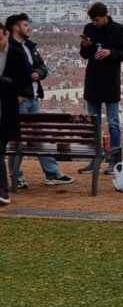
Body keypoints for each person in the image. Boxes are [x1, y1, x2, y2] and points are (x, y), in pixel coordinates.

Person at [5, 13, 74, 187]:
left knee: (40, 136)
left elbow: (42, 67)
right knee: (16, 139)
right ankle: (16, 175)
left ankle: (52, 173)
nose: (29, 28)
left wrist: (40, 73)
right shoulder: (8, 49)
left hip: (34, 98)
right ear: (15, 27)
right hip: (19, 100)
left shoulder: (29, 47)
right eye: (26, 25)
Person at [79, 2, 123, 175]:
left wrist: (110, 53)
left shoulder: (119, 30)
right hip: (93, 81)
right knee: (93, 125)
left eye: (97, 20)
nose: (95, 23)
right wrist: (86, 47)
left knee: (113, 123)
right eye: (93, 20)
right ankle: (94, 160)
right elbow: (85, 55)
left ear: (105, 16)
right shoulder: (89, 28)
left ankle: (114, 161)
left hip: (110, 82)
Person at [1, 25, 31, 205]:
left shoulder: (17, 55)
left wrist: (8, 85)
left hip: (7, 111)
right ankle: (3, 191)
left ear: (6, 35)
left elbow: (25, 85)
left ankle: (3, 191)